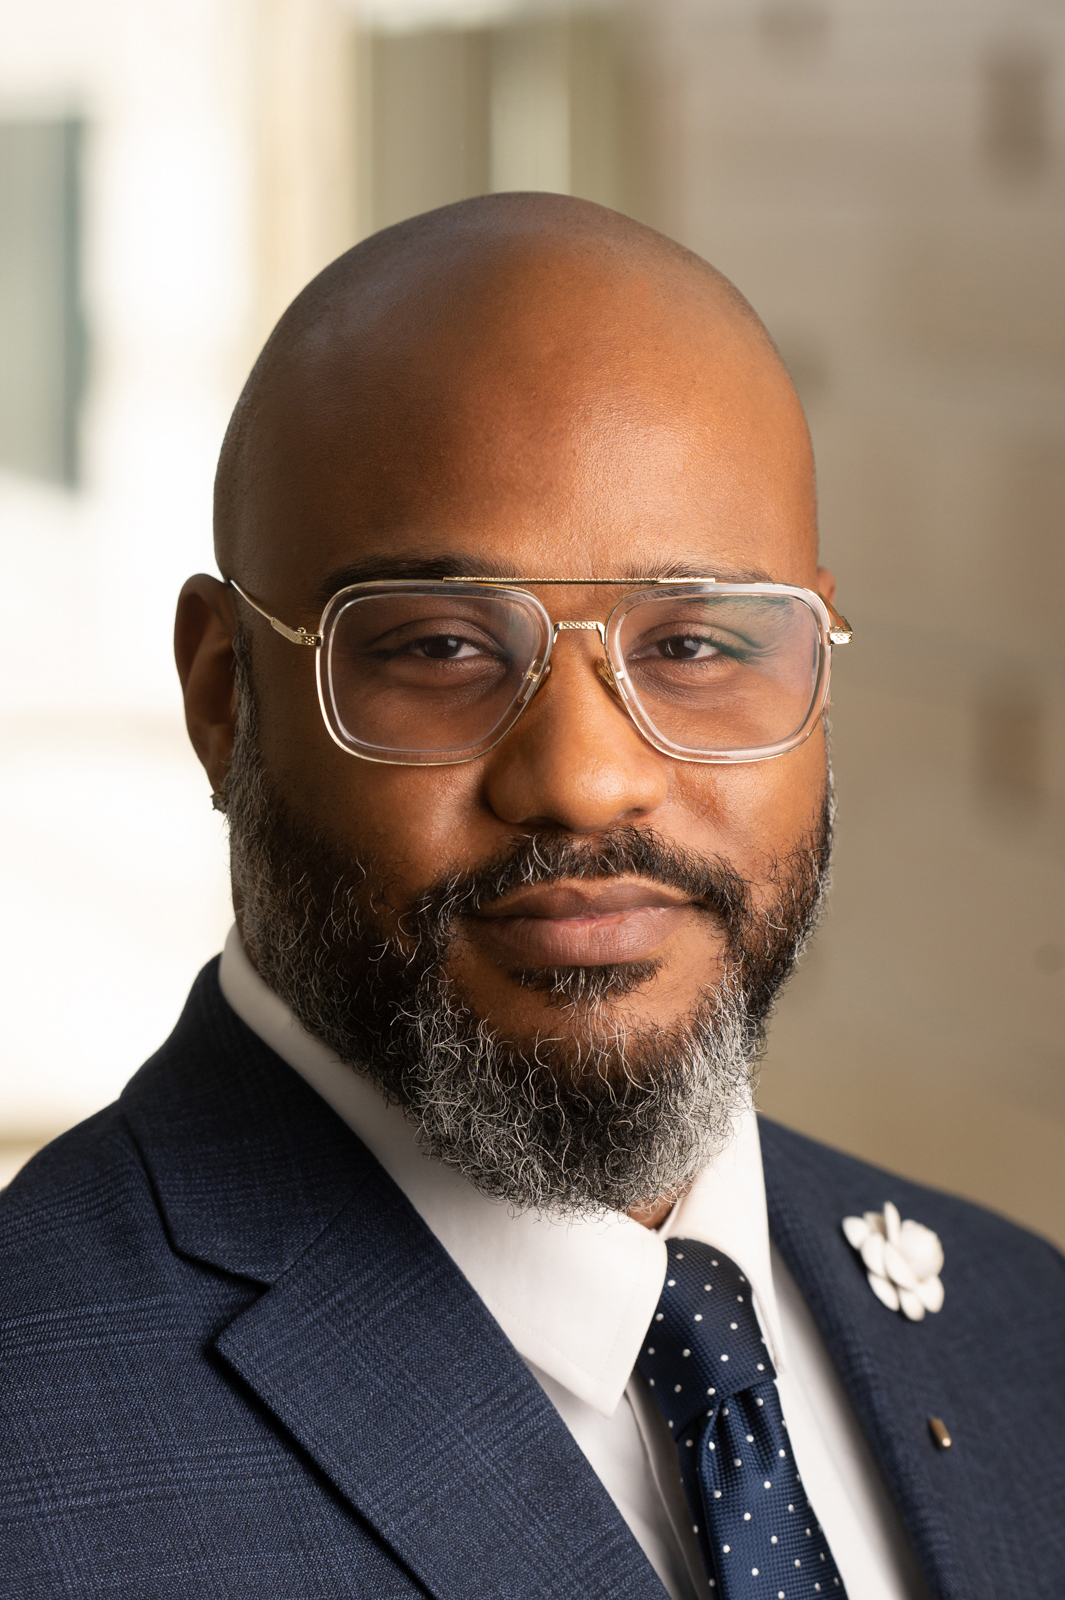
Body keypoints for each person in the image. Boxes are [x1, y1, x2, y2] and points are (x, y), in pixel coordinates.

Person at [1, 195, 1062, 1600]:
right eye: (440, 646)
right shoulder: (36, 1449)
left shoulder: (1021, 1332)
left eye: (693, 641)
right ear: (221, 696)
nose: (583, 779)